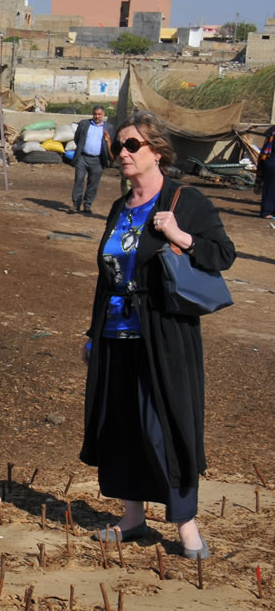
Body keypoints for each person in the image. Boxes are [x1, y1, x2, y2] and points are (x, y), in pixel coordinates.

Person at [80, 110, 235, 560]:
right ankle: (132, 517)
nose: (122, 153)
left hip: (164, 337)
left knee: (167, 425)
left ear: (157, 152)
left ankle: (186, 526)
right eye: (118, 146)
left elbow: (222, 255)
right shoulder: (118, 207)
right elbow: (107, 276)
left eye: (132, 145)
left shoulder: (185, 201)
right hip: (116, 335)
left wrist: (180, 234)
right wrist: (93, 334)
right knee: (122, 425)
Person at [71, 105, 115, 213]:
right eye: (95, 114)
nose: (97, 116)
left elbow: (111, 144)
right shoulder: (84, 124)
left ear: (103, 115)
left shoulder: (109, 128)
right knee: (79, 179)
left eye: (99, 114)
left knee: (93, 183)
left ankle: (87, 204)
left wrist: (107, 140)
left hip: (98, 160)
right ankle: (76, 204)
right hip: (83, 157)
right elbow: (77, 139)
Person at [257, 124, 275, 219]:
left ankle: (268, 211)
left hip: (268, 160)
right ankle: (266, 212)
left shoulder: (271, 130)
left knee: (269, 188)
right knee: (270, 188)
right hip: (272, 161)